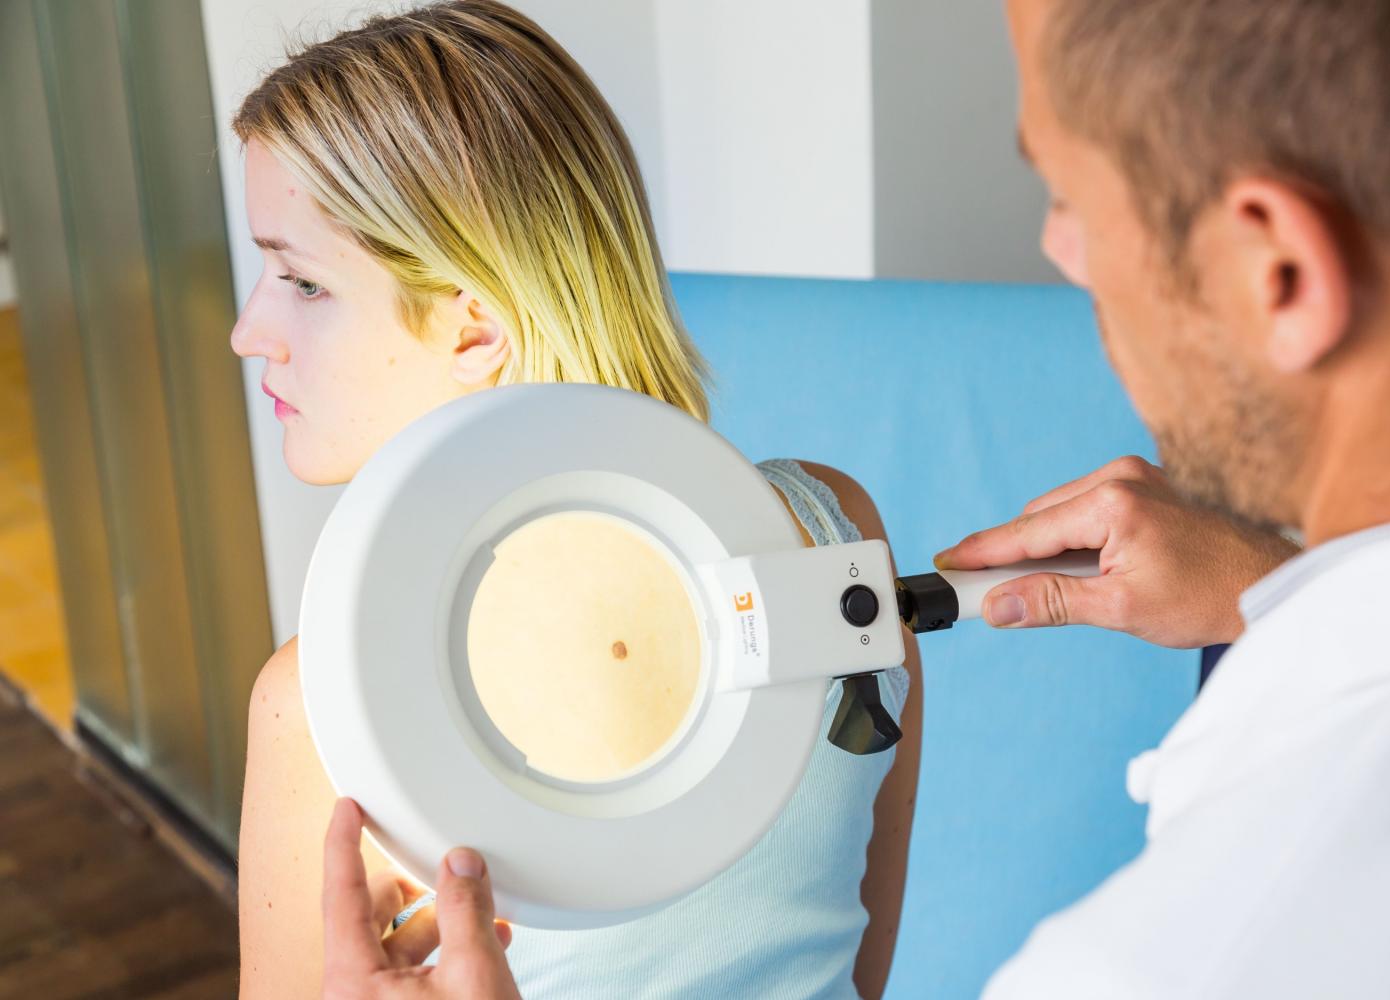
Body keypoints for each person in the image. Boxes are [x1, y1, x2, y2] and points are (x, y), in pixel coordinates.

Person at [323, 0, 1390, 995]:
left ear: (1278, 272)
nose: (1057, 250)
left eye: (1068, 197)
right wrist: (1273, 596)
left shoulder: (1156, 969)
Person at [228, 3, 922, 997]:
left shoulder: (323, 705)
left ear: (475, 329)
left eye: (301, 282)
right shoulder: (830, 532)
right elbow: (858, 972)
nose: (250, 332)